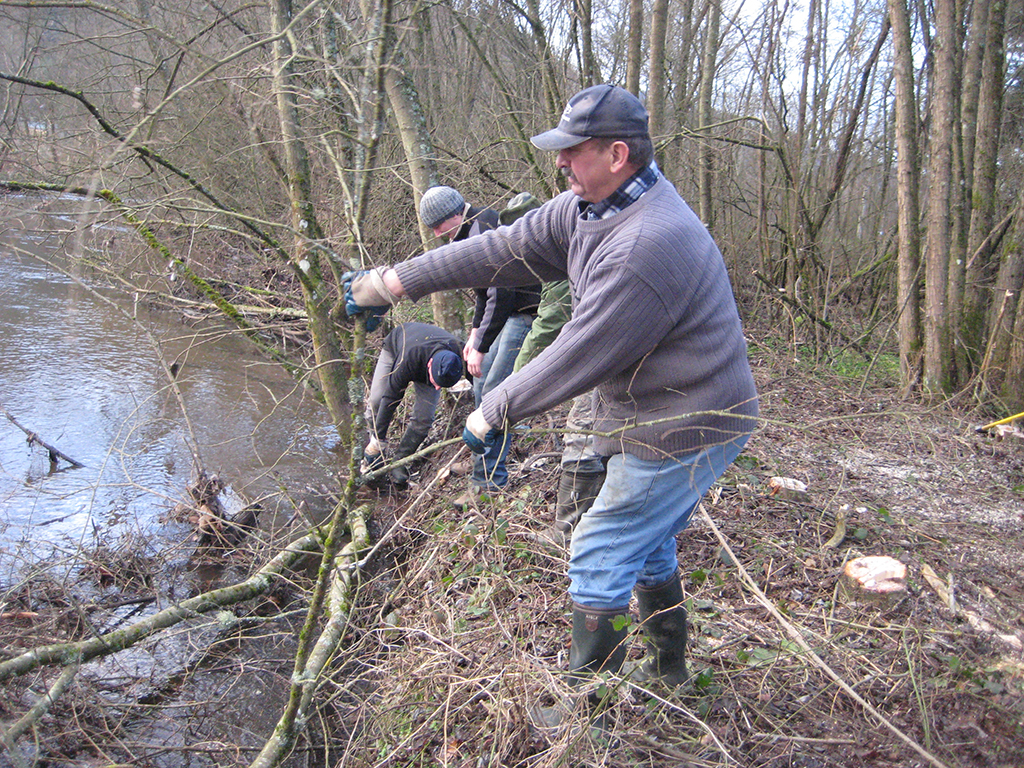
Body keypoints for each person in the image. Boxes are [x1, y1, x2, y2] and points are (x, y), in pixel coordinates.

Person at [345, 85, 759, 719]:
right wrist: (391, 282)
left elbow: (580, 351)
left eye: (574, 150)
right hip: (650, 404)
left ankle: (587, 712)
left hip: (690, 419)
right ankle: (669, 672)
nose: (560, 162)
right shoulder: (587, 207)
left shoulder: (648, 244)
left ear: (617, 155)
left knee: (599, 549)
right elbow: (499, 250)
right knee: (647, 543)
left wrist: (494, 408)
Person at [420, 186, 542, 505]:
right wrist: (475, 333)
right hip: (507, 315)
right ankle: (483, 460)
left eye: (438, 226)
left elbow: (501, 293)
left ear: (455, 214)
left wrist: (481, 346)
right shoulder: (469, 230)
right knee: (480, 384)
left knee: (494, 395)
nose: (437, 234)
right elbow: (482, 294)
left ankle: (489, 482)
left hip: (524, 314)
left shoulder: (484, 229)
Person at [513, 282, 604, 550]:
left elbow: (552, 320)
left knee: (583, 435)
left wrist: (513, 389)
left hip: (612, 350)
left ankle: (567, 533)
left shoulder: (568, 263)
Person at [362, 321, 467, 487]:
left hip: (429, 362)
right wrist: (378, 440)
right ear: (430, 364)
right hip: (396, 348)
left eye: (441, 385)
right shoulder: (409, 357)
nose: (438, 388)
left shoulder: (461, 353)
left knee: (424, 419)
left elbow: (479, 378)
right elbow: (390, 398)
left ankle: (400, 461)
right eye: (436, 382)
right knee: (377, 400)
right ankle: (372, 442)